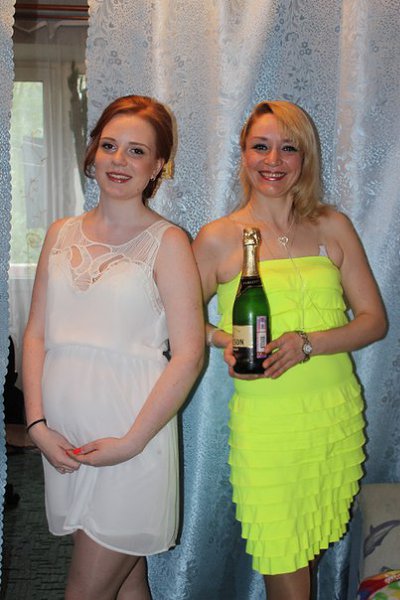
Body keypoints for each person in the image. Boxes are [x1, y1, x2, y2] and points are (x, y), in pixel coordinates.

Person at [193, 100, 387, 600]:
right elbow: (175, 320)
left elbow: (373, 320)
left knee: (309, 553)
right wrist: (225, 340)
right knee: (285, 563)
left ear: (305, 158)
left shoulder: (332, 226)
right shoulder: (217, 238)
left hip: (334, 417)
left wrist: (307, 343)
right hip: (267, 426)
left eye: (288, 148)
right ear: (243, 153)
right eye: (260, 146)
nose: (273, 160)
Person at [22, 94, 204, 600]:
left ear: (158, 166)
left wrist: (131, 443)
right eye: (109, 145)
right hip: (64, 438)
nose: (119, 160)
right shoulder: (59, 234)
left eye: (137, 151)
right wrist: (36, 425)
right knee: (127, 583)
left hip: (130, 443)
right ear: (93, 151)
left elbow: (189, 354)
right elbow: (36, 333)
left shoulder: (169, 242)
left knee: (85, 591)